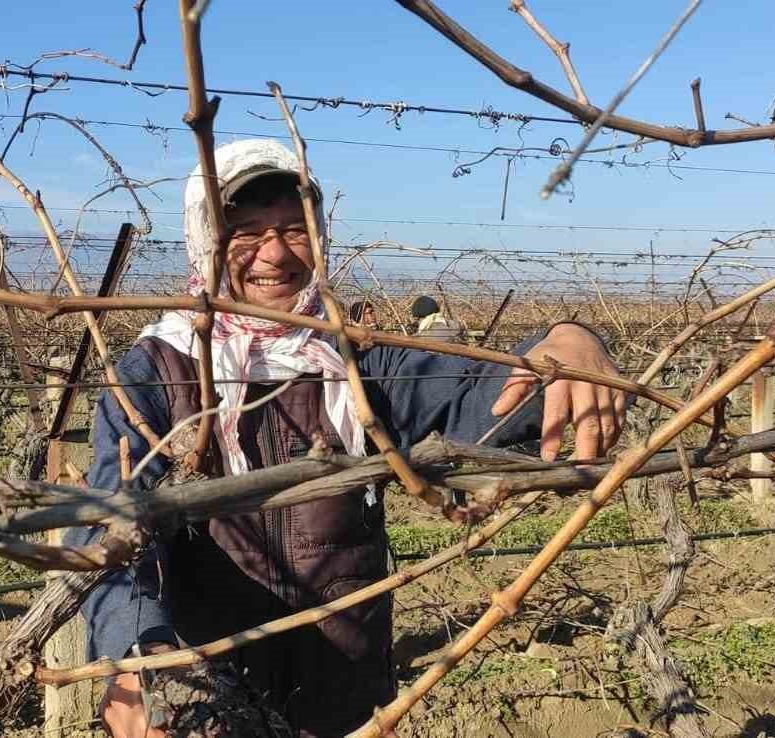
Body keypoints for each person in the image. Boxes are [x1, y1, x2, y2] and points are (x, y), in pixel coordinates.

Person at [69, 139, 627, 737]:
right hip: (206, 703)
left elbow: (480, 402)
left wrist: (565, 343)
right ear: (204, 240)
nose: (275, 253)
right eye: (245, 232)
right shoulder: (157, 373)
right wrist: (140, 655)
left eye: (295, 229)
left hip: (344, 697)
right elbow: (111, 531)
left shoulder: (359, 363)